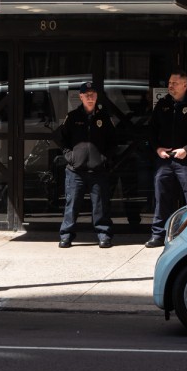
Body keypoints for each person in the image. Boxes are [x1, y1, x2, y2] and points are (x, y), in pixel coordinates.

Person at [146, 70, 187, 248]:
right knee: (161, 196)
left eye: (174, 83)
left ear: (184, 85)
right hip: (164, 159)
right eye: (169, 82)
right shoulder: (162, 104)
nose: (170, 86)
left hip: (185, 160)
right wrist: (157, 149)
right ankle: (158, 234)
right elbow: (151, 130)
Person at [55, 82, 116, 248]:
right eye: (86, 94)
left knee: (100, 206)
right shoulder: (73, 117)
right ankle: (66, 235)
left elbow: (113, 141)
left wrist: (104, 159)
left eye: (92, 94)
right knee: (72, 205)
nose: (90, 97)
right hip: (76, 171)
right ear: (80, 97)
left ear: (96, 96)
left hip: (98, 171)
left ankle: (104, 235)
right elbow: (61, 139)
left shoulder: (104, 117)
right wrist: (70, 156)